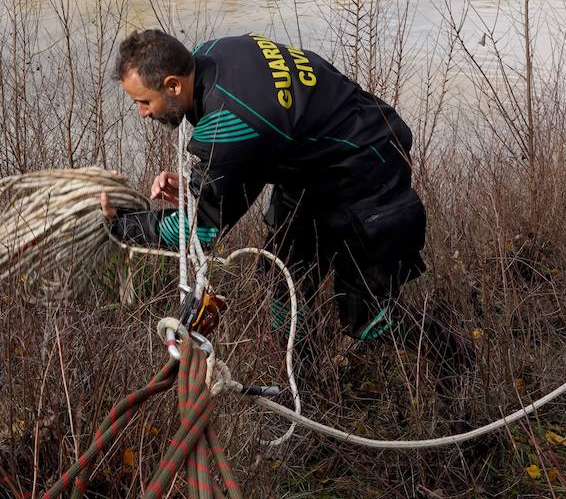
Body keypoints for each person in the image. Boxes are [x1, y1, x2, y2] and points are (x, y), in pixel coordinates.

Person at [102, 29, 427, 346]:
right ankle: (303, 385)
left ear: (173, 85)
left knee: (368, 316)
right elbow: (251, 146)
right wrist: (202, 184)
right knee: (282, 275)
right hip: (316, 165)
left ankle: (458, 362)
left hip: (367, 170)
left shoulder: (230, 127)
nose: (142, 113)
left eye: (144, 101)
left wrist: (121, 223)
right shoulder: (213, 50)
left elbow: (200, 232)